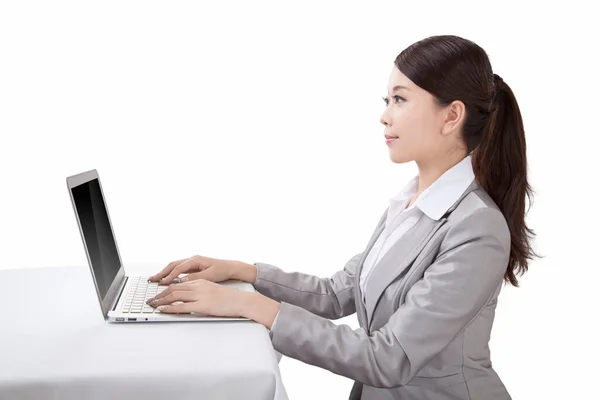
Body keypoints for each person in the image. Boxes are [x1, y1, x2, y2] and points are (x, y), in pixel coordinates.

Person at [145, 34, 538, 400]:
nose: (385, 117)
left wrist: (252, 307)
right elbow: (339, 293)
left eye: (400, 100)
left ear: (451, 116)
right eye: (385, 100)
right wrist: (244, 272)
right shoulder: (410, 202)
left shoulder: (476, 229)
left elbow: (389, 358)